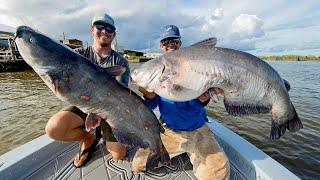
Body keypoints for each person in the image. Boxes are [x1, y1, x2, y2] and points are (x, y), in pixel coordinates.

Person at [135, 25, 230, 180]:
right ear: (161, 46)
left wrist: (201, 100)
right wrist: (148, 95)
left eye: (174, 42)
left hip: (198, 129)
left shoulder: (195, 67)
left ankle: (192, 152)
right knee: (138, 164)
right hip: (170, 130)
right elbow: (151, 106)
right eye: (166, 42)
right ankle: (173, 152)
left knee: (219, 174)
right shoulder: (157, 69)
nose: (171, 45)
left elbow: (194, 106)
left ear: (180, 43)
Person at [45, 13, 129, 168]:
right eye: (100, 26)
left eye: (109, 28)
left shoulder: (121, 62)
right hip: (83, 104)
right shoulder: (77, 55)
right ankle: (88, 137)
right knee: (53, 128)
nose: (105, 31)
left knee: (119, 154)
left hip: (110, 109)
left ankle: (103, 133)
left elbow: (123, 95)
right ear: (92, 29)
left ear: (114, 34)